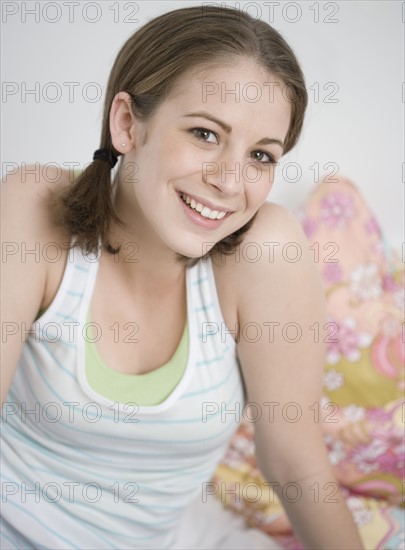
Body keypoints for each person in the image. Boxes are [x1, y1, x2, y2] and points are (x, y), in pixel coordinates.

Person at [1, 5, 365, 549]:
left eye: (261, 156)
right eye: (204, 133)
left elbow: (295, 461)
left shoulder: (265, 252)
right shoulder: (35, 207)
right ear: (127, 124)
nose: (229, 181)